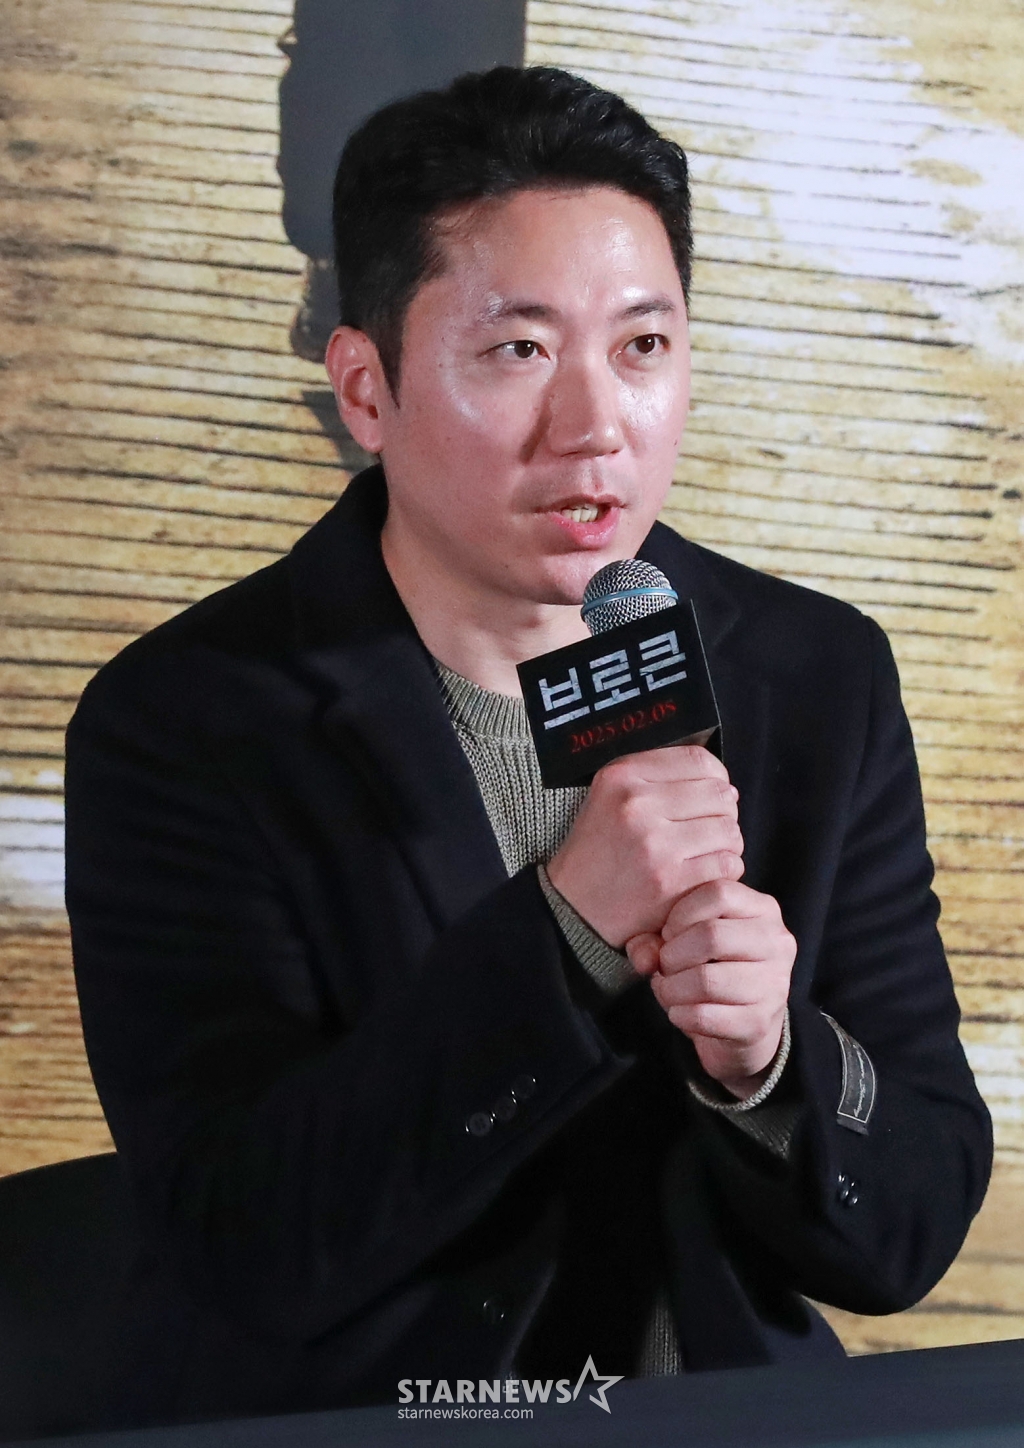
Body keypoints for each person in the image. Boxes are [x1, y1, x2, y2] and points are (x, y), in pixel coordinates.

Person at [64, 66, 992, 1422]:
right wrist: (565, 934)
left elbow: (910, 1228)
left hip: (719, 1415)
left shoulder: (816, 674)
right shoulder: (187, 721)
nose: (595, 427)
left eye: (643, 345)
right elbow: (247, 1239)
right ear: (365, 389)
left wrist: (770, 1067)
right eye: (519, 351)